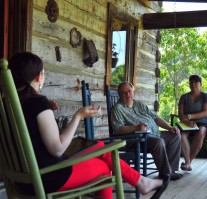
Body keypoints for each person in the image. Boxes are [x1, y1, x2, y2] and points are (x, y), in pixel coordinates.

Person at [9, 52, 169, 199]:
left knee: (100, 147)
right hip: (49, 177)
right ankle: (141, 182)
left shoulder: (8, 105)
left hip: (21, 180)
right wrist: (78, 116)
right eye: (44, 73)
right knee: (105, 168)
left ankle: (141, 181)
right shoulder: (38, 103)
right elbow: (57, 149)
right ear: (39, 76)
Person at [111, 82, 183, 181]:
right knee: (159, 142)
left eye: (129, 91)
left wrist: (170, 128)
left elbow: (156, 118)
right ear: (120, 95)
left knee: (175, 136)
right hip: (136, 140)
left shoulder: (139, 104)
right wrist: (135, 128)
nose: (127, 94)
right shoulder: (118, 109)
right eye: (124, 93)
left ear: (133, 92)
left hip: (154, 134)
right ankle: (166, 173)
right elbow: (118, 129)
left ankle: (172, 170)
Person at [178, 75, 207, 171]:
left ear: (200, 84)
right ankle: (187, 163)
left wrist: (190, 116)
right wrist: (187, 121)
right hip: (187, 122)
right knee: (181, 135)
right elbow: (180, 114)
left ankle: (188, 162)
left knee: (200, 133)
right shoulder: (184, 97)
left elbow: (205, 113)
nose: (193, 84)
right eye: (191, 82)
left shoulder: (206, 96)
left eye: (196, 82)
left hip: (202, 121)